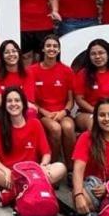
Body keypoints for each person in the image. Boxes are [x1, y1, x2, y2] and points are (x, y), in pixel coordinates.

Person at [0, 87, 67, 201]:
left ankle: (16, 190)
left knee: (61, 167)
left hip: (31, 173)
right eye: (9, 101)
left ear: (23, 104)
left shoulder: (35, 124)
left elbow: (46, 154)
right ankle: (29, 188)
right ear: (5, 105)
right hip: (9, 175)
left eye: (17, 100)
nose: (13, 104)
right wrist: (5, 170)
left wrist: (43, 166)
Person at [29, 34, 77, 165]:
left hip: (62, 112)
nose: (52, 48)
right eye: (48, 45)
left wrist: (64, 112)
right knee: (55, 129)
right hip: (42, 113)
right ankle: (52, 165)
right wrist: (45, 113)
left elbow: (71, 100)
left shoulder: (67, 71)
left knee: (68, 127)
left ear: (59, 50)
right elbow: (31, 101)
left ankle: (70, 168)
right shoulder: (32, 70)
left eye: (55, 46)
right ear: (43, 49)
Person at [72, 39, 109, 132]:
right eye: (93, 54)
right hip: (88, 112)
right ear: (89, 56)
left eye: (101, 53)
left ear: (108, 54)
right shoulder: (82, 74)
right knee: (94, 126)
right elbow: (79, 99)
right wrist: (97, 112)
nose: (97, 56)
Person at [0, 40, 36, 116]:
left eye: (14, 51)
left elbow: (28, 100)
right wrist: (18, 100)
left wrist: (3, 97)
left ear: (19, 54)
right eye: (7, 52)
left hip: (22, 112)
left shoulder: (27, 73)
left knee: (31, 112)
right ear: (2, 56)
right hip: (2, 113)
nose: (11, 54)